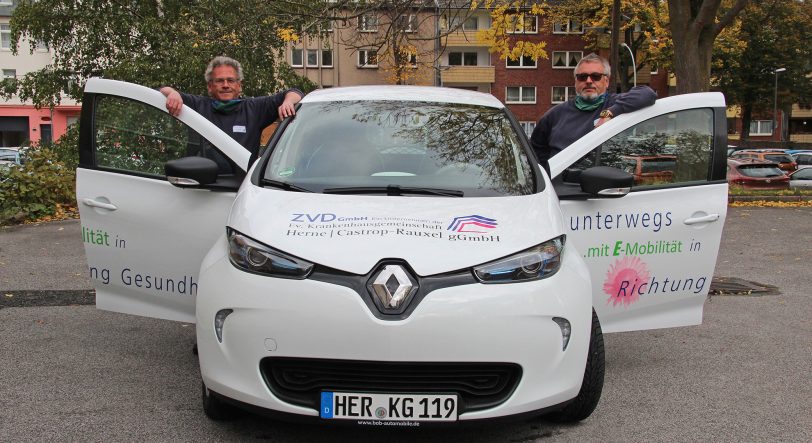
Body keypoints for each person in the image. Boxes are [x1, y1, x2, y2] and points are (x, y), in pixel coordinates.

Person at [160, 56, 303, 164]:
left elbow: (295, 93)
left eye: (230, 80)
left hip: (241, 189)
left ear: (239, 85)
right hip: (202, 189)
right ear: (210, 86)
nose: (225, 85)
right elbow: (160, 92)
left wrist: (288, 102)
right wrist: (173, 93)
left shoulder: (254, 109)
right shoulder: (198, 105)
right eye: (219, 81)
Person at [530, 53, 657, 173]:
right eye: (582, 77)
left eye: (596, 76)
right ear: (576, 82)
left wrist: (609, 113)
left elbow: (647, 94)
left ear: (606, 81)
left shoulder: (616, 104)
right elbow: (535, 152)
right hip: (562, 188)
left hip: (606, 185)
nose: (589, 81)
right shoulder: (555, 115)